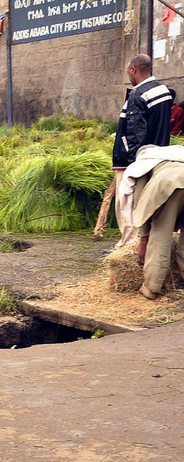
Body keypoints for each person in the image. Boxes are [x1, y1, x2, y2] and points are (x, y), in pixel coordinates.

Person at [112, 54, 172, 247]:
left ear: (133, 70)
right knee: (148, 202)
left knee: (127, 202)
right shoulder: (162, 90)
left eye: (129, 72)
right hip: (157, 153)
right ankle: (140, 242)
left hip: (136, 160)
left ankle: (128, 244)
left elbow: (134, 132)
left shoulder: (137, 94)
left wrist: (132, 164)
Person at [115, 144, 184, 299]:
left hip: (171, 185)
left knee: (160, 235)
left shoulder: (142, 164)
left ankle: (151, 288)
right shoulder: (175, 154)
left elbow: (141, 204)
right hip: (178, 178)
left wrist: (144, 237)